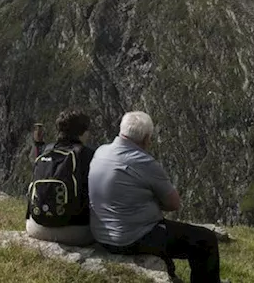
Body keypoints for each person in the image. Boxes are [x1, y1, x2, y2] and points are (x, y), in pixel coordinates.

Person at [89, 111, 224, 283]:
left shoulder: (100, 152)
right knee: (205, 240)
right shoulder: (144, 162)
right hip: (131, 238)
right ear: (146, 138)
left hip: (100, 235)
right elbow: (173, 203)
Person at [25, 110, 95, 246]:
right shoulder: (87, 155)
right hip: (75, 233)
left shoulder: (46, 150)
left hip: (36, 228)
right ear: (83, 132)